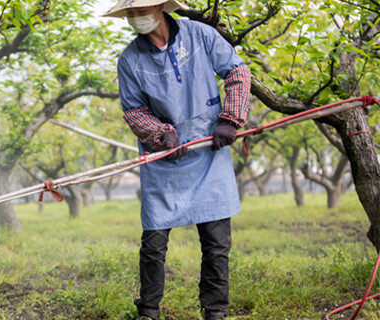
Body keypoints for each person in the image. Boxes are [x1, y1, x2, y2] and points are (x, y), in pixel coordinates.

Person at [103, 1, 252, 319]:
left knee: (216, 241)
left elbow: (237, 71)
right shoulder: (130, 59)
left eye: (140, 10)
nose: (135, 17)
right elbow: (134, 111)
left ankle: (215, 311)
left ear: (159, 8)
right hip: (163, 160)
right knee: (154, 243)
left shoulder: (201, 35)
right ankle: (148, 311)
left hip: (209, 151)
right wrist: (161, 135)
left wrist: (230, 119)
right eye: (130, 13)